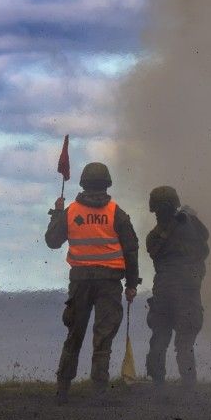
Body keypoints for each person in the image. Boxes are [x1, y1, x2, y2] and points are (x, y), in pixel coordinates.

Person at [45, 161, 140, 403]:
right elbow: (131, 249)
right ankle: (98, 394)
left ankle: (62, 391)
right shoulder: (116, 212)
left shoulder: (72, 212)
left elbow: (53, 242)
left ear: (83, 184)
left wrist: (57, 212)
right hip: (109, 283)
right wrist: (131, 285)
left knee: (74, 336)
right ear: (107, 184)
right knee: (103, 338)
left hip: (79, 283)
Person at [144, 185, 209, 387]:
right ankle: (189, 388)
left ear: (154, 209)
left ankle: (158, 386)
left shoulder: (153, 237)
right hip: (188, 292)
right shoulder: (191, 228)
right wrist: (190, 218)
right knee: (185, 344)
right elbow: (204, 242)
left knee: (160, 340)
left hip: (164, 293)